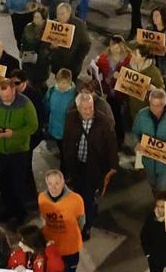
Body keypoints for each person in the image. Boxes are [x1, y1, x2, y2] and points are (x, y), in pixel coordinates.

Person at [0, 78, 40, 227]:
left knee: (18, 183)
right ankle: (8, 209)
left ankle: (20, 213)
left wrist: (13, 134)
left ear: (14, 90)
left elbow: (33, 126)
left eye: (7, 96)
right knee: (4, 181)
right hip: (2, 151)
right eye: (2, 96)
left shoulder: (25, 104)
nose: (5, 99)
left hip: (19, 151)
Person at [60, 91, 118, 240]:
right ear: (78, 107)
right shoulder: (71, 117)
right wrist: (66, 162)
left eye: (90, 107)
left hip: (94, 166)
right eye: (84, 108)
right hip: (76, 165)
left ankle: (86, 226)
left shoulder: (104, 121)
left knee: (87, 196)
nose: (88, 111)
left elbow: (111, 144)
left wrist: (113, 166)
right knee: (79, 194)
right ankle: (86, 213)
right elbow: (66, 140)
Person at [130, 89, 166, 191]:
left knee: (162, 188)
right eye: (152, 104)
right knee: (153, 185)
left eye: (158, 105)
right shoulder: (141, 115)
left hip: (165, 165)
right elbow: (134, 133)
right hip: (148, 162)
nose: (154, 108)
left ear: (164, 104)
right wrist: (135, 143)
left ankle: (161, 201)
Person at [38, 169, 86, 271]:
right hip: (51, 247)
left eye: (57, 183)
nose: (53, 188)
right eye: (50, 184)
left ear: (63, 182)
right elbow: (43, 217)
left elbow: (81, 222)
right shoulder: (42, 198)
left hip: (70, 249)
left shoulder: (76, 199)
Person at [46, 3, 91, 82]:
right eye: (58, 14)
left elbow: (86, 43)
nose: (59, 16)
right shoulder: (53, 25)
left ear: (69, 13)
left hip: (72, 66)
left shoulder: (79, 25)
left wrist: (80, 58)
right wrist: (51, 47)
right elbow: (45, 43)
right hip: (57, 65)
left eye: (62, 14)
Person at [44, 69, 77, 153]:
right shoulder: (52, 91)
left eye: (64, 83)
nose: (61, 85)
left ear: (69, 82)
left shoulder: (75, 95)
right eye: (58, 82)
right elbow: (47, 106)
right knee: (60, 146)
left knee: (66, 150)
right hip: (54, 126)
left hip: (67, 130)